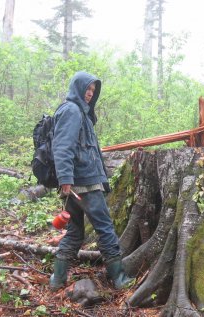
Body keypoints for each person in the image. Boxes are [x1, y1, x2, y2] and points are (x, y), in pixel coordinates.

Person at [49, 71, 133, 291]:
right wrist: (65, 178)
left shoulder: (79, 113)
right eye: (86, 89)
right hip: (83, 183)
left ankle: (57, 280)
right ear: (76, 88)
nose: (89, 94)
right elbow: (62, 146)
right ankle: (120, 279)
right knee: (105, 228)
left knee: (76, 233)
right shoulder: (72, 111)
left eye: (92, 91)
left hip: (76, 182)